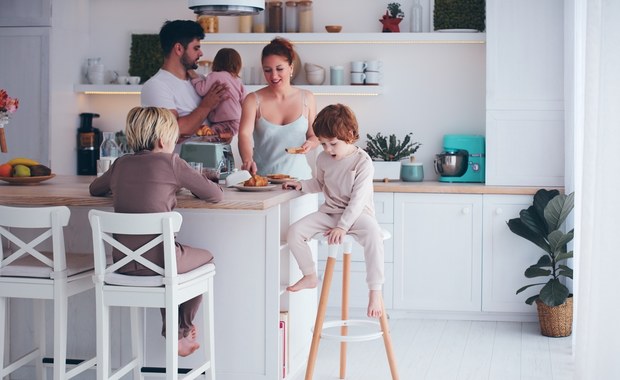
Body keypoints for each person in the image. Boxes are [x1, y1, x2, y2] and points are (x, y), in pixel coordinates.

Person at [89, 106, 223, 357]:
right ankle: (180, 329)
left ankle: (177, 331)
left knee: (168, 261)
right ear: (163, 140)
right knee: (206, 259)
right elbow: (215, 195)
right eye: (174, 138)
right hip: (163, 262)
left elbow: (95, 189)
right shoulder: (172, 162)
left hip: (122, 264)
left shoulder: (119, 164)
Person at [282, 104, 386, 318]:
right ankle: (310, 275)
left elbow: (358, 201)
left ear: (349, 135)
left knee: (373, 234)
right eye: (323, 144)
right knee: (294, 232)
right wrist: (301, 185)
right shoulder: (322, 159)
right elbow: (320, 184)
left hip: (358, 215)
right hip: (330, 213)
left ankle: (375, 290)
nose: (328, 149)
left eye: (333, 143)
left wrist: (342, 226)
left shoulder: (363, 162)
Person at [237, 37, 319, 180]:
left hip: (301, 182)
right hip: (263, 182)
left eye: (279, 69)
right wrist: (247, 159)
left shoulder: (307, 98)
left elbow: (314, 135)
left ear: (291, 68)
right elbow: (244, 135)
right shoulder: (253, 100)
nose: (274, 76)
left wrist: (310, 144)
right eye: (267, 70)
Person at [141, 19, 229, 141]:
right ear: (178, 49)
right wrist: (206, 106)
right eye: (196, 48)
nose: (201, 53)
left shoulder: (201, 82)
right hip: (176, 160)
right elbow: (172, 133)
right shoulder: (155, 86)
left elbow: (222, 129)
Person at [188, 48, 246, 139]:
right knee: (225, 135)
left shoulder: (214, 75)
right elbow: (245, 102)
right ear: (238, 65)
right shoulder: (238, 81)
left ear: (216, 62)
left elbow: (201, 90)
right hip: (236, 120)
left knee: (211, 134)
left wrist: (195, 78)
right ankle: (223, 139)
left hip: (219, 120)